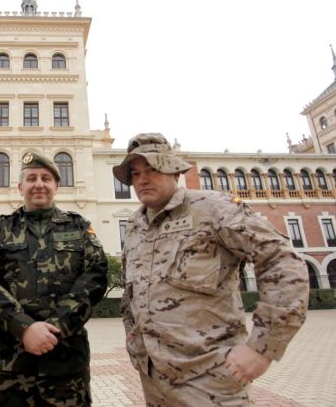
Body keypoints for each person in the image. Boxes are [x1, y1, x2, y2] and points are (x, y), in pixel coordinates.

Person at [113, 133, 309, 406]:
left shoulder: (213, 209)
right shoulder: (135, 226)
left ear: (174, 171)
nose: (142, 179)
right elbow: (131, 296)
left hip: (210, 379)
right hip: (153, 380)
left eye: (152, 169)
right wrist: (135, 347)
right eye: (134, 173)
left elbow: (283, 261)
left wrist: (263, 348)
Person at [0, 151, 108, 406]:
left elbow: (96, 276)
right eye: (31, 178)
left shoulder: (77, 227)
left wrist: (56, 328)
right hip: (9, 365)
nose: (39, 184)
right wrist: (24, 327)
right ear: (20, 187)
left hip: (66, 365)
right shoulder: (2, 228)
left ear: (57, 185)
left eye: (46, 178)